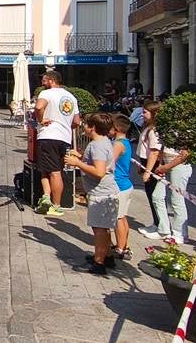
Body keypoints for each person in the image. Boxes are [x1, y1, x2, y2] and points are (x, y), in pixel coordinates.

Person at [64, 113, 119, 275]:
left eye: (86, 124)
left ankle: (99, 262)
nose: (83, 126)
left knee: (99, 229)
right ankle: (106, 255)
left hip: (101, 193)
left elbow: (99, 171)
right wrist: (81, 157)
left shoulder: (97, 146)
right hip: (105, 192)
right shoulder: (102, 142)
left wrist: (77, 163)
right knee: (104, 227)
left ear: (93, 128)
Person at [33, 70, 80, 216]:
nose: (42, 83)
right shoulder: (71, 97)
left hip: (48, 135)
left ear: (52, 80)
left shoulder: (46, 94)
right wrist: (65, 127)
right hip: (64, 138)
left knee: (54, 172)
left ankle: (56, 205)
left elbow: (39, 107)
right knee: (47, 169)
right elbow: (77, 121)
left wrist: (41, 120)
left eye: (44, 80)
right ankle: (46, 198)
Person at [143, 107, 192, 244]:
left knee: (177, 200)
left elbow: (185, 154)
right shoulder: (163, 129)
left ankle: (180, 233)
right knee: (157, 196)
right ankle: (163, 229)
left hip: (178, 166)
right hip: (164, 165)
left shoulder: (184, 130)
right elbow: (159, 150)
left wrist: (166, 167)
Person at [137, 102, 166, 238]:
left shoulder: (154, 130)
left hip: (152, 165)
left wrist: (148, 171)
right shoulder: (148, 127)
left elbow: (154, 152)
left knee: (154, 195)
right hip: (145, 162)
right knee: (150, 195)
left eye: (145, 112)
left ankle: (161, 225)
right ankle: (156, 222)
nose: (142, 115)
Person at [110, 114, 133, 261]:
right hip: (125, 185)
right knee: (122, 217)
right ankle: (123, 245)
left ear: (116, 128)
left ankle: (121, 248)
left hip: (119, 185)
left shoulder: (118, 144)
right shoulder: (125, 141)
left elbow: (109, 162)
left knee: (118, 218)